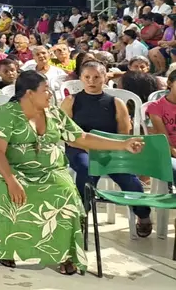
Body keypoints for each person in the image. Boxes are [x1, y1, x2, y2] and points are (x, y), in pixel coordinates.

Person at [0, 70, 146, 275]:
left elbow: (82, 138)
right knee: (3, 188)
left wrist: (123, 144)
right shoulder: (5, 113)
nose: (50, 95)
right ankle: (9, 248)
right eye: (45, 91)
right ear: (29, 93)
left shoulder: (53, 112)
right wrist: (11, 180)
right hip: (12, 169)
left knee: (68, 193)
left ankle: (67, 255)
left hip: (50, 169)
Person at [58, 60, 153, 237]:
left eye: (96, 77)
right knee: (87, 169)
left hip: (112, 148)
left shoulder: (116, 103)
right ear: (81, 78)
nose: (91, 81)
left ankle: (143, 214)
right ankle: (81, 214)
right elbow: (65, 134)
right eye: (87, 77)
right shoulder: (71, 101)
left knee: (129, 179)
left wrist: (109, 148)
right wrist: (87, 147)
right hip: (79, 148)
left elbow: (123, 133)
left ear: (104, 78)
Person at [145, 70, 176, 177]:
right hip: (167, 151)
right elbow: (163, 138)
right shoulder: (156, 107)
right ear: (170, 83)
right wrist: (173, 151)